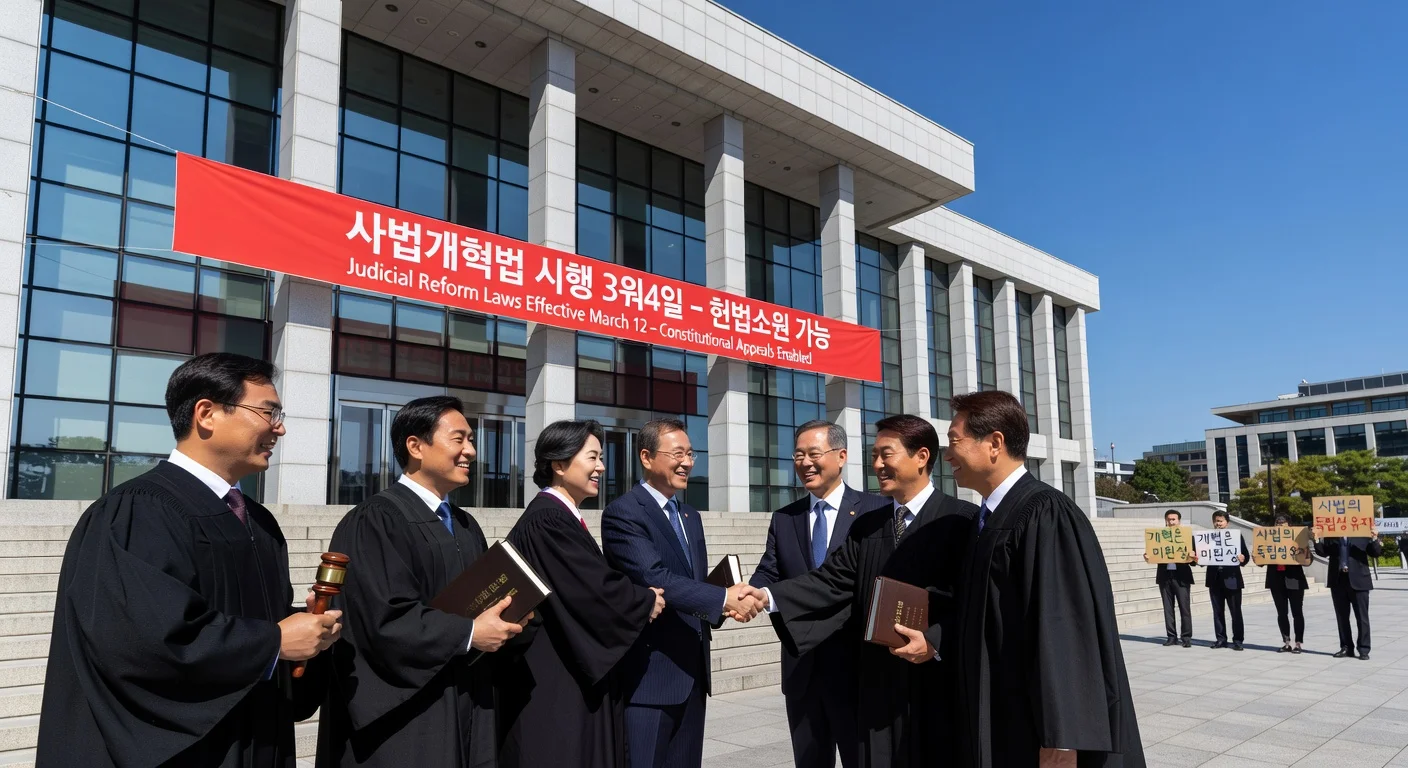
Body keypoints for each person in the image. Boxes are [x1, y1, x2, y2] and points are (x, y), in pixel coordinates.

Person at [36, 353, 342, 767]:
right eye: (268, 412)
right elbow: (143, 640)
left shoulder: (259, 522)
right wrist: (273, 642)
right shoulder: (137, 511)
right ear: (207, 413)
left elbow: (245, 620)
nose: (280, 428)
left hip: (256, 738)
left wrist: (304, 633)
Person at [734, 414, 975, 767]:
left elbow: (977, 603)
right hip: (875, 685)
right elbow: (831, 580)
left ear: (922, 456)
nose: (876, 464)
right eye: (874, 455)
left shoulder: (960, 521)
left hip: (933, 684)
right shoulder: (869, 527)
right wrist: (767, 597)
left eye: (886, 454)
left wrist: (936, 638)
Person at [316, 396, 530, 767]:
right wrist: (469, 633)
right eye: (459, 439)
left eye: (472, 440)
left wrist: (507, 618)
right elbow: (382, 619)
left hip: (466, 695)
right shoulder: (376, 521)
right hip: (408, 713)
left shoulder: (464, 525)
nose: (471, 452)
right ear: (415, 446)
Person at [947, 390, 1144, 768]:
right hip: (1000, 712)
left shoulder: (1044, 513)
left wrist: (1063, 737)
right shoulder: (987, 517)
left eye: (955, 441)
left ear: (994, 443)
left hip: (1037, 729)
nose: (949, 454)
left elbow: (1065, 627)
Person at [495, 420, 666, 767]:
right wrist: (644, 599)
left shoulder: (559, 517)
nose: (602, 466)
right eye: (592, 457)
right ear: (559, 464)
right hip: (554, 682)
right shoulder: (548, 520)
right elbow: (591, 590)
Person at [601, 419, 753, 768]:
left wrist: (723, 602)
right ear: (647, 457)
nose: (687, 462)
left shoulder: (690, 515)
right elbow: (654, 575)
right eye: (677, 454)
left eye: (691, 453)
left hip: (693, 676)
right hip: (650, 680)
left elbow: (693, 580)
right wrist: (721, 599)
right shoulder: (624, 512)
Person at [748, 420, 884, 768]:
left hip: (858, 669)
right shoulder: (784, 518)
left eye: (813, 454)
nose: (805, 463)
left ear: (841, 456)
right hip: (802, 669)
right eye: (797, 455)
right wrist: (753, 592)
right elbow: (770, 569)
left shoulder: (875, 512)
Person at [1314, 520, 1382, 660]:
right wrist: (1316, 538)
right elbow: (1323, 552)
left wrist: (1375, 537)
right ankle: (1346, 647)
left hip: (1359, 581)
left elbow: (1375, 552)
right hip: (1338, 580)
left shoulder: (1362, 533)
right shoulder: (1331, 534)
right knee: (1342, 617)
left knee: (1362, 617)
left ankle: (1364, 649)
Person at [1195, 510, 1249, 651]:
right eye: (1216, 521)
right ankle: (1221, 639)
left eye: (1221, 521)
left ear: (1227, 523)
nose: (1218, 523)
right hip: (1214, 579)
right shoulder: (1207, 538)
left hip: (1232, 579)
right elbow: (1201, 558)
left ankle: (1238, 640)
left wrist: (1242, 559)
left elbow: (1245, 557)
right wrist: (1196, 559)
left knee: (1235, 612)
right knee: (1217, 612)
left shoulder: (1236, 537)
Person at [1142, 510, 1193, 648]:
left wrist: (1193, 556)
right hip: (1165, 577)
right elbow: (1153, 555)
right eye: (1168, 519)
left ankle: (1186, 637)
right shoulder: (1159, 537)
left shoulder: (1186, 537)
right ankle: (1171, 636)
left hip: (1182, 577)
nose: (1171, 522)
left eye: (1173, 519)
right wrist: (1147, 558)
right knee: (1168, 608)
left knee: (1184, 608)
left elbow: (1193, 561)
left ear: (1179, 521)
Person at [1259, 513, 1308, 653]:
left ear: (1289, 526)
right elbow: (1260, 562)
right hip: (1276, 579)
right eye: (1277, 523)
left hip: (1294, 579)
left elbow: (1307, 561)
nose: (1279, 526)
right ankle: (1286, 641)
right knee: (1281, 613)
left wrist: (1302, 552)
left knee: (1297, 612)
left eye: (1283, 524)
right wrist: (1256, 555)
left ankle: (1298, 642)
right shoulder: (1268, 540)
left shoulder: (1298, 539)